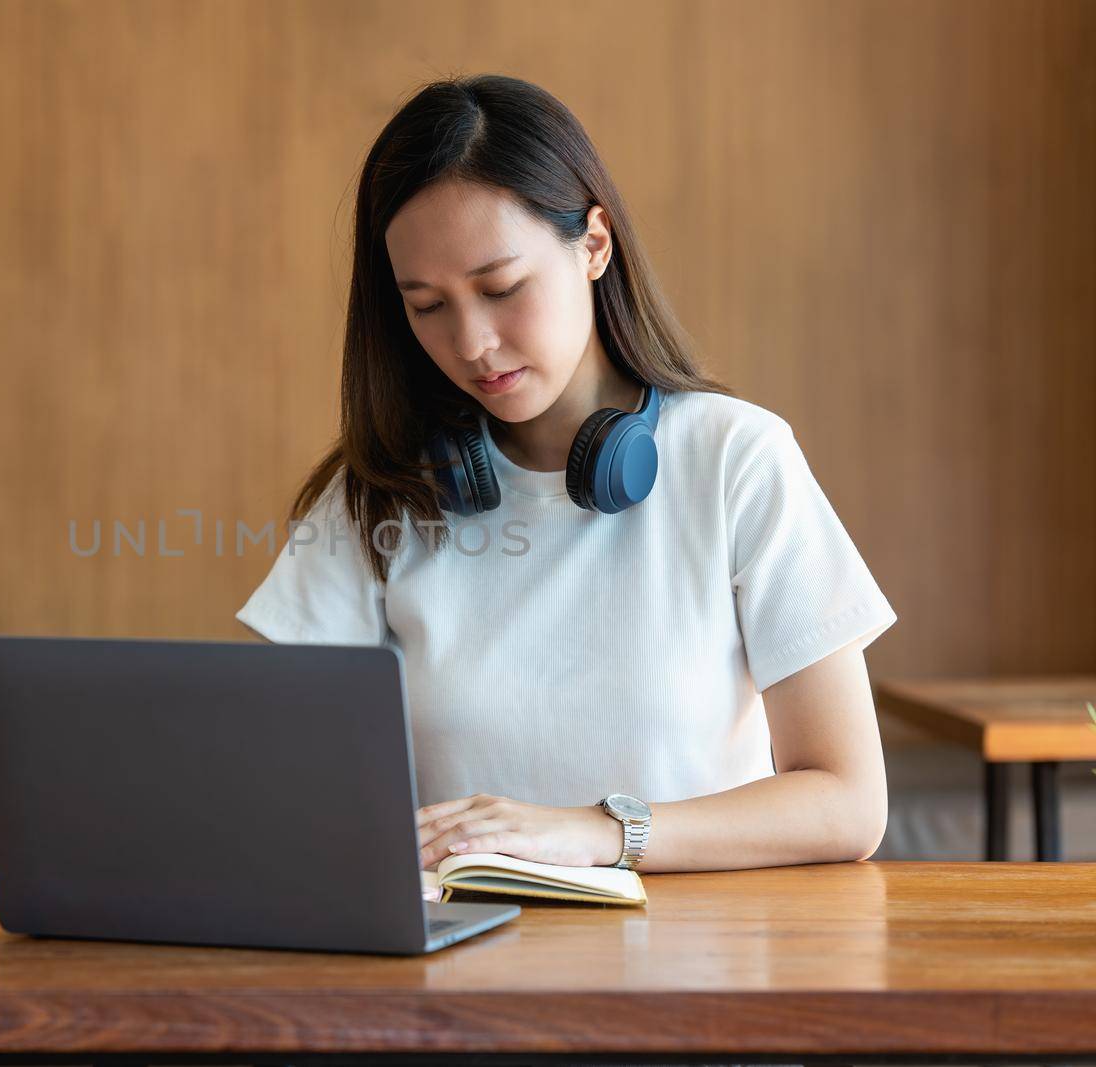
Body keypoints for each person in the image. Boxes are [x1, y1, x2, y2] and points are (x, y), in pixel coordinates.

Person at [235, 74, 897, 875]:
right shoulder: (380, 488)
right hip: (456, 975)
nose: (472, 341)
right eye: (427, 304)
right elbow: (258, 762)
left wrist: (599, 833)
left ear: (593, 244)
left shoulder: (737, 460)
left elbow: (848, 802)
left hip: (701, 973)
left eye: (501, 288)